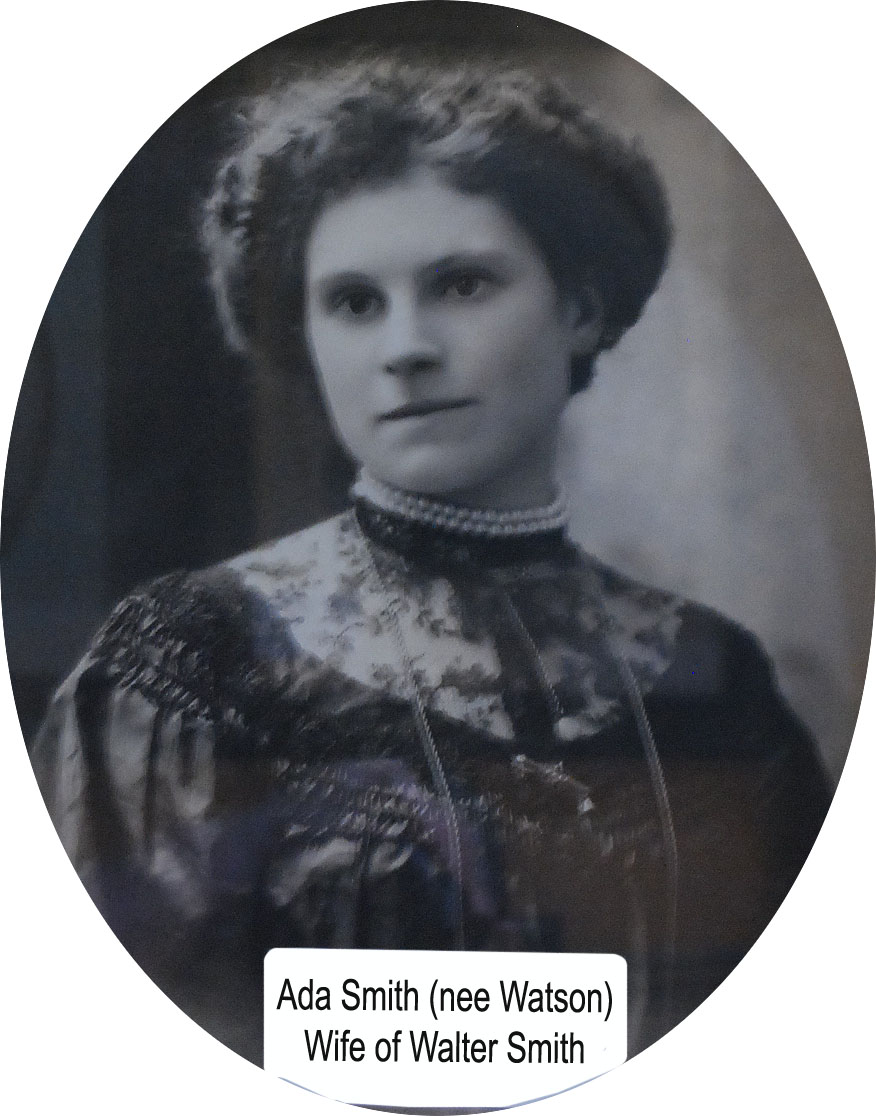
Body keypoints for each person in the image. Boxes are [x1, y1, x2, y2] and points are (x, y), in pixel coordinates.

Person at [30, 57, 831, 1069]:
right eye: (353, 303)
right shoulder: (189, 664)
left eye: (461, 284)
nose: (405, 347)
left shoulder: (720, 679)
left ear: (581, 308)